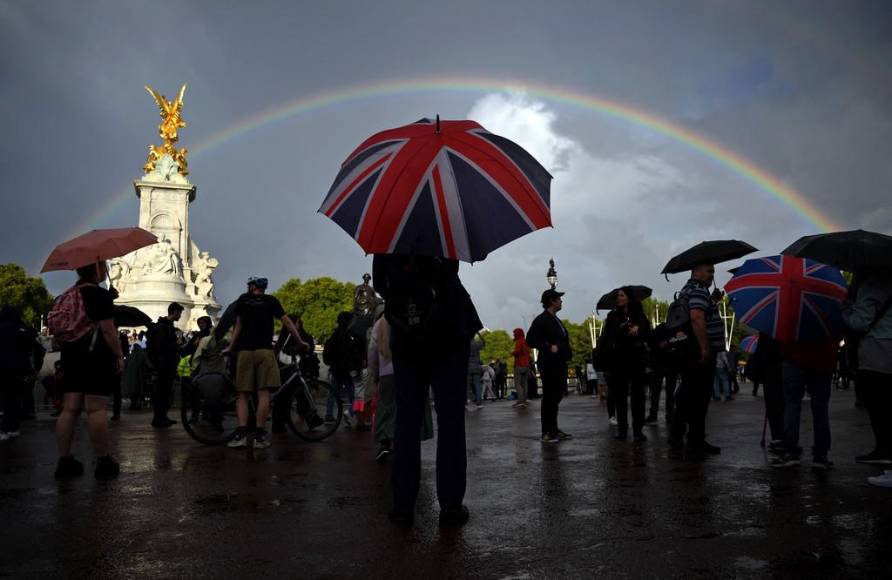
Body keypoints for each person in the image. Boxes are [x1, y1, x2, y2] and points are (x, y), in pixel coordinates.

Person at [373, 253, 482, 528]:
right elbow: (451, 272)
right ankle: (451, 504)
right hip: (447, 330)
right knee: (451, 421)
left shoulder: (389, 235)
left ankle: (403, 504)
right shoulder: (445, 222)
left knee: (406, 421)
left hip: (406, 333)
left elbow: (380, 283)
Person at [53, 262, 124, 479]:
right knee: (95, 409)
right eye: (102, 267)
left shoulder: (67, 294)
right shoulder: (99, 295)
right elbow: (108, 330)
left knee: (69, 409)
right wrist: (119, 355)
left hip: (71, 356)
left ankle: (64, 461)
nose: (105, 270)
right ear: (96, 270)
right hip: (95, 357)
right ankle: (103, 461)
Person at [225, 276, 308, 449]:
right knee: (264, 394)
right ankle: (260, 435)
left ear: (252, 286)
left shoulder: (243, 300)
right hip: (264, 351)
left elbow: (238, 326)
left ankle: (241, 433)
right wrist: (299, 341)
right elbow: (287, 322)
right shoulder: (271, 301)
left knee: (242, 394)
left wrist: (230, 347)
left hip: (245, 351)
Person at [668, 263, 725, 459]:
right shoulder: (699, 289)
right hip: (697, 352)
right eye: (709, 271)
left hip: (686, 350)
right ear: (696, 272)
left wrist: (713, 301)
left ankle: (677, 435)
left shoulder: (688, 289)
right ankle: (695, 440)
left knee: (687, 394)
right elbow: (697, 317)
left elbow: (700, 312)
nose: (712, 275)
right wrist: (705, 348)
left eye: (713, 272)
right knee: (699, 397)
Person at [842, 269, 892, 477]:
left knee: (878, 403)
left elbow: (859, 323)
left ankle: (884, 449)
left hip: (878, 350)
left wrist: (846, 309)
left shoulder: (871, 285)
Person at [770, 338, 837, 470]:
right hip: (822, 358)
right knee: (821, 408)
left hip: (794, 357)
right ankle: (821, 455)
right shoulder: (829, 317)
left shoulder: (791, 316)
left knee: (792, 406)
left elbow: (780, 335)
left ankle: (790, 452)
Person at [600, 287, 652, 441]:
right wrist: (622, 331)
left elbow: (648, 335)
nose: (619, 298)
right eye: (618, 296)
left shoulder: (640, 316)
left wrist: (638, 329)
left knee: (638, 396)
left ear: (629, 297)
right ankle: (622, 429)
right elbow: (608, 338)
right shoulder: (613, 316)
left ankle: (638, 430)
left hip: (636, 359)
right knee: (620, 396)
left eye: (622, 295)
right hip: (619, 360)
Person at [526, 289, 573, 444]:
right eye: (559, 299)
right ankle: (547, 431)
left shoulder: (555, 319)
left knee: (557, 395)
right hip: (549, 363)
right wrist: (547, 346)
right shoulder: (542, 320)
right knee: (550, 397)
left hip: (559, 362)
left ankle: (553, 428)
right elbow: (530, 340)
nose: (561, 301)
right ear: (552, 301)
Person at [0, 307, 42, 440]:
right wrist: (36, 366)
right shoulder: (24, 330)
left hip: (2, 367)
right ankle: (13, 426)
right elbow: (38, 349)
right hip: (19, 368)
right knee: (13, 396)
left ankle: (7, 427)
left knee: (5, 397)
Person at [146, 302, 183, 427]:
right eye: (180, 313)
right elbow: (160, 347)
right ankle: (158, 418)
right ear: (175, 312)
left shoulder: (166, 326)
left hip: (166, 364)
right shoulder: (163, 327)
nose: (180, 316)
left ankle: (162, 416)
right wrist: (175, 345)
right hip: (163, 365)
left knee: (165, 392)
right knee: (162, 392)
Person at [367, 304, 396, 462]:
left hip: (385, 373)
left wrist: (375, 371)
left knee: (385, 408)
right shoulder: (404, 317)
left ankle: (385, 444)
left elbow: (372, 351)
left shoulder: (380, 324)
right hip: (407, 372)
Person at [747, 332, 784, 450]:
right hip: (785, 370)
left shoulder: (767, 330)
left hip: (770, 373)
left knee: (773, 407)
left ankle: (777, 438)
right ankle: (788, 438)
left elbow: (760, 354)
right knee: (788, 407)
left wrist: (759, 375)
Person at [323, 312, 361, 423]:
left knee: (333, 392)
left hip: (336, 368)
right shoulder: (347, 335)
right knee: (353, 393)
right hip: (344, 369)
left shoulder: (336, 333)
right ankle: (353, 412)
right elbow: (348, 353)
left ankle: (329, 414)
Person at [646, 323, 677, 424]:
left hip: (659, 363)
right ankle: (670, 415)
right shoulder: (675, 329)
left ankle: (654, 415)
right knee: (669, 392)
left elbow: (650, 342)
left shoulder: (660, 329)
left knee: (656, 391)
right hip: (670, 362)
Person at [511, 328, 530, 408]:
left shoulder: (519, 342)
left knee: (518, 384)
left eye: (515, 334)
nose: (514, 335)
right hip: (527, 365)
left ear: (518, 334)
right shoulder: (526, 341)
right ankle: (525, 400)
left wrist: (512, 353)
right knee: (525, 384)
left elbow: (518, 352)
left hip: (519, 365)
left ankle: (520, 401)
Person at [468, 333, 485, 407]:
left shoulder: (465, 344)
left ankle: (467, 401)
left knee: (467, 386)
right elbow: (484, 342)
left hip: (467, 367)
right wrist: (479, 334)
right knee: (478, 385)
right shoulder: (477, 344)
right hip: (476, 366)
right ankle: (479, 403)